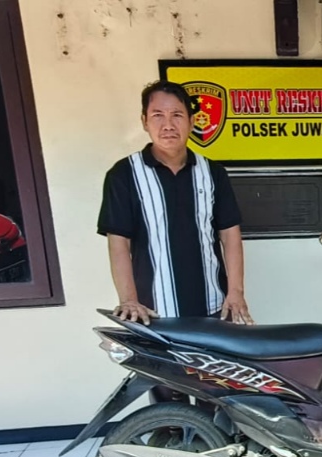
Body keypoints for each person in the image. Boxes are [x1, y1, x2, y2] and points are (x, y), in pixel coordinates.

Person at [97, 80, 254, 326]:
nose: (168, 125)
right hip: (153, 312)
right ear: (144, 121)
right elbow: (118, 243)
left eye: (177, 115)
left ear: (192, 121)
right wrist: (128, 300)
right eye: (157, 115)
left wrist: (236, 292)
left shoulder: (213, 173)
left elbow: (230, 234)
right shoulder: (124, 174)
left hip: (214, 307)